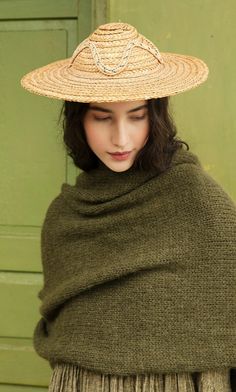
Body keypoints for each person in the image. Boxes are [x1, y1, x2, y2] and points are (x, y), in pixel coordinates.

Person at [21, 22, 236, 392]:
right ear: (78, 121)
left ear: (156, 116)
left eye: (136, 117)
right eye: (102, 117)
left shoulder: (200, 201)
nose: (120, 138)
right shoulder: (64, 216)